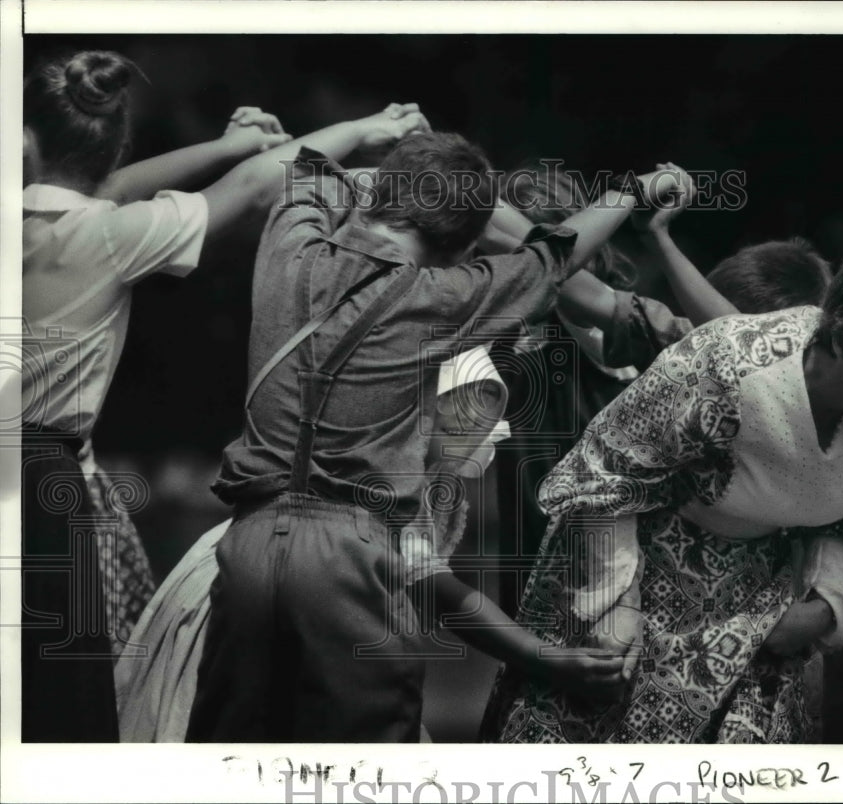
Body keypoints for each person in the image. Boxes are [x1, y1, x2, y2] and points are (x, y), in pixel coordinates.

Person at [184, 130, 686, 742]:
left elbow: (305, 167)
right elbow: (554, 256)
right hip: (351, 555)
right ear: (461, 247)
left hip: (247, 548)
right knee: (367, 762)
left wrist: (375, 136)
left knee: (231, 754)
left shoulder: (291, 248)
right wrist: (632, 192)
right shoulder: (445, 297)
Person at [20, 47, 427, 741]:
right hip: (36, 486)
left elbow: (104, 186)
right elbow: (251, 187)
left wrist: (225, 142)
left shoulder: (52, 220)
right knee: (55, 703)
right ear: (116, 138)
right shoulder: (108, 237)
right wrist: (363, 128)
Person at [481, 228, 843, 743]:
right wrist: (616, 603)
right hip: (632, 565)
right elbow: (605, 475)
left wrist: (824, 604)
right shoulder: (728, 364)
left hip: (768, 595)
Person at [115, 346, 507, 742]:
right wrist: (534, 652)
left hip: (320, 593)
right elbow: (433, 585)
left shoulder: (424, 479)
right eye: (455, 427)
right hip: (270, 587)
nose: (464, 444)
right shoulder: (376, 468)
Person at [490, 163, 832, 615]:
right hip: (548, 601)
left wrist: (635, 201)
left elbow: (737, 346)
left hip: (643, 610)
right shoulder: (485, 324)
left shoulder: (644, 346)